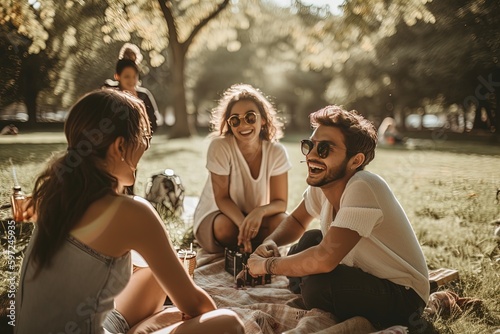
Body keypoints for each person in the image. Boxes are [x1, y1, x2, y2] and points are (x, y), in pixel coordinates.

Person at [15, 89, 244, 334]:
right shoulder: (133, 213)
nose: (145, 144)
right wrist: (199, 319)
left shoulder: (53, 194)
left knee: (159, 278)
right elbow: (196, 305)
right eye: (143, 136)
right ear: (120, 146)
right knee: (229, 323)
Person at [247, 105, 429, 330]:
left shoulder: (363, 186)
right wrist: (270, 242)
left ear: (355, 160)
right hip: (362, 273)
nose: (312, 155)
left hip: (403, 295)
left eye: (324, 149)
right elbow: (296, 222)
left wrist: (267, 266)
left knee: (316, 284)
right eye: (310, 145)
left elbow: (324, 258)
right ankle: (314, 290)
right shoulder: (323, 182)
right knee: (306, 242)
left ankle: (319, 295)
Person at [193, 84, 292, 254]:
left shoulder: (276, 151)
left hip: (254, 214)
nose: (243, 124)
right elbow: (222, 198)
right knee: (226, 229)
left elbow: (280, 203)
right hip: (220, 215)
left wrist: (260, 212)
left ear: (263, 120)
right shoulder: (219, 146)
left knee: (285, 223)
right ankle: (250, 243)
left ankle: (252, 245)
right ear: (229, 124)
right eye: (235, 120)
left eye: (250, 117)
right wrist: (243, 227)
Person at [112, 58, 158, 133]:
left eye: (134, 76)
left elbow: (154, 123)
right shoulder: (111, 97)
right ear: (117, 76)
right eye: (127, 76)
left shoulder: (144, 95)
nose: (132, 80)